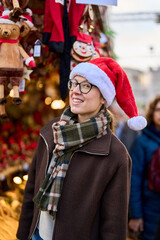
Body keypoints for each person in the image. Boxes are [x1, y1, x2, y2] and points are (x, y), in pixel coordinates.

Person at [16, 57, 147, 240]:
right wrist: (23, 235)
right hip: (37, 235)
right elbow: (32, 192)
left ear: (103, 98)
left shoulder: (115, 154)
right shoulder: (51, 132)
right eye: (74, 83)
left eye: (86, 86)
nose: (76, 91)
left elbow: (114, 222)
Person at [129, 95, 160, 240]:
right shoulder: (142, 141)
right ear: (152, 112)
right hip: (150, 211)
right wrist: (136, 215)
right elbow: (134, 180)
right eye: (159, 110)